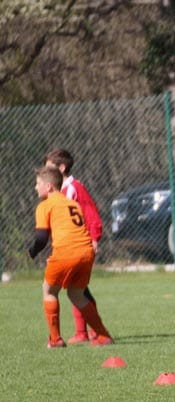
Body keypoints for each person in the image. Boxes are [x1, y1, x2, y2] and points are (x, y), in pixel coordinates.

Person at [27, 167, 113, 348]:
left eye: (38, 183)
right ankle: (103, 335)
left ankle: (55, 339)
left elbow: (41, 238)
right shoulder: (72, 204)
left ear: (49, 186)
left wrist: (32, 252)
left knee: (49, 291)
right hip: (86, 252)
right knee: (76, 294)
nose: (35, 187)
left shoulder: (45, 205)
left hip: (66, 252)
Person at [44, 148, 104, 344]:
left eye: (49, 167)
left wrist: (94, 238)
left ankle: (89, 332)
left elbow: (91, 214)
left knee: (78, 289)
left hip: (81, 245)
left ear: (61, 168)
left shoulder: (74, 188)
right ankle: (87, 332)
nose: (45, 172)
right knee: (77, 289)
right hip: (68, 248)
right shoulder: (57, 192)